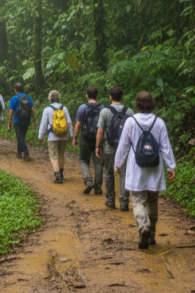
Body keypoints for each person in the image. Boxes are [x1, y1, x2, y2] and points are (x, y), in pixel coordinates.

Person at [114, 91, 176, 249]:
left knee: (138, 201)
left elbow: (124, 145)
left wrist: (118, 163)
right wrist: (171, 166)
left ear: (137, 104)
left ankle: (143, 228)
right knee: (152, 201)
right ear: (152, 103)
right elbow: (165, 147)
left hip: (137, 168)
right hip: (154, 168)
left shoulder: (131, 122)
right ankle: (152, 234)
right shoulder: (159, 122)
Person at [95, 86, 134, 210]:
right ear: (121, 97)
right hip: (125, 149)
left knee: (109, 173)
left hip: (110, 147)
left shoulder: (105, 111)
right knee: (123, 174)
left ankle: (110, 200)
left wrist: (97, 146)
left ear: (110, 97)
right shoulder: (130, 112)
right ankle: (124, 202)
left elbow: (100, 131)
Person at [72, 86, 105, 195]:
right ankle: (98, 187)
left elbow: (78, 124)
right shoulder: (102, 108)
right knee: (99, 162)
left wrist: (74, 137)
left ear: (87, 95)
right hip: (98, 139)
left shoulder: (82, 107)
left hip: (85, 138)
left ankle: (88, 181)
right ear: (96, 95)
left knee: (83, 160)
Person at [38, 90, 73, 183]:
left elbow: (43, 124)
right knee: (61, 154)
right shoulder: (64, 108)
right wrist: (71, 134)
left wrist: (40, 136)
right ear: (59, 98)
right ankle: (61, 173)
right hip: (64, 135)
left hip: (52, 136)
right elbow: (69, 122)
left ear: (50, 99)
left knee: (53, 155)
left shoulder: (47, 109)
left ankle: (58, 176)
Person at [8, 82, 34, 160]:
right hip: (26, 120)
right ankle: (19, 153)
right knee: (21, 137)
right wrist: (34, 121)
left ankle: (25, 152)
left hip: (17, 121)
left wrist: (9, 121)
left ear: (15, 89)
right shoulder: (28, 97)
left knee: (20, 137)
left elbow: (11, 111)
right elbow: (32, 110)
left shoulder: (14, 98)